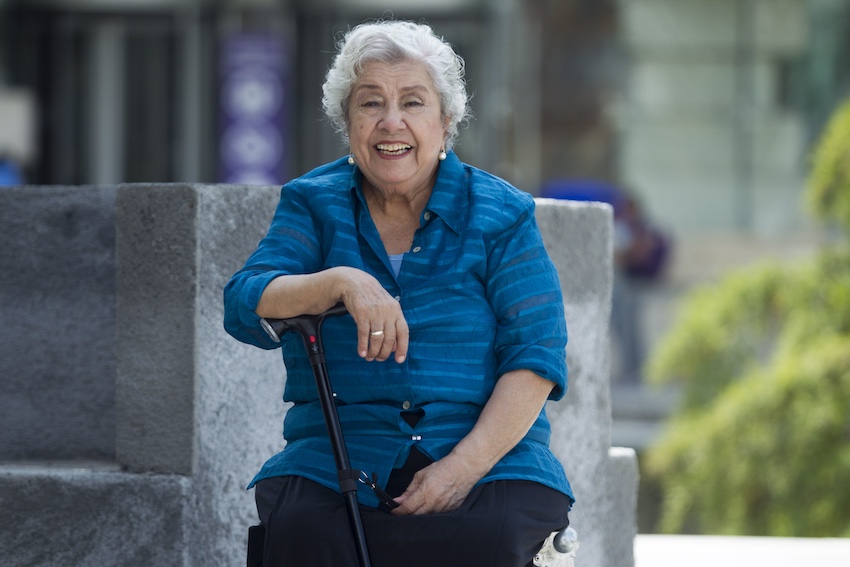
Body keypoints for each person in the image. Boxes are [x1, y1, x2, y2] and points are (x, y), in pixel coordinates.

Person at [224, 19, 574, 567]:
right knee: (302, 531)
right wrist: (341, 281)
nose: (392, 123)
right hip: (341, 453)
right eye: (370, 104)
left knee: (492, 534)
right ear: (347, 121)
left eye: (413, 102)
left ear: (446, 121)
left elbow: (537, 353)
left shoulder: (502, 215)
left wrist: (462, 468)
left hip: (485, 455)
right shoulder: (313, 204)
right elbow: (246, 299)